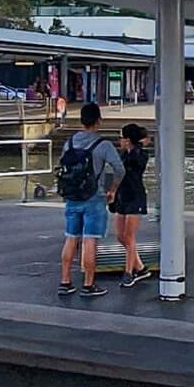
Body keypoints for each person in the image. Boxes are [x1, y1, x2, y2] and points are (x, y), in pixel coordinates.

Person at [56, 103, 124, 299]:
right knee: (89, 241)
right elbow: (119, 169)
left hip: (72, 197)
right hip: (94, 197)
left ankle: (65, 281)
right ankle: (88, 285)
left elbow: (63, 167)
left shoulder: (69, 142)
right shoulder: (103, 145)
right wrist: (112, 189)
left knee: (71, 238)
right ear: (98, 121)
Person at [111, 123, 152, 288]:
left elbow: (137, 162)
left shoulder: (140, 155)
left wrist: (137, 146)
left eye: (121, 138)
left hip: (135, 197)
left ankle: (129, 272)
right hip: (122, 196)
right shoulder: (122, 155)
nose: (119, 141)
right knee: (121, 236)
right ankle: (140, 267)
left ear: (128, 140)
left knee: (129, 236)